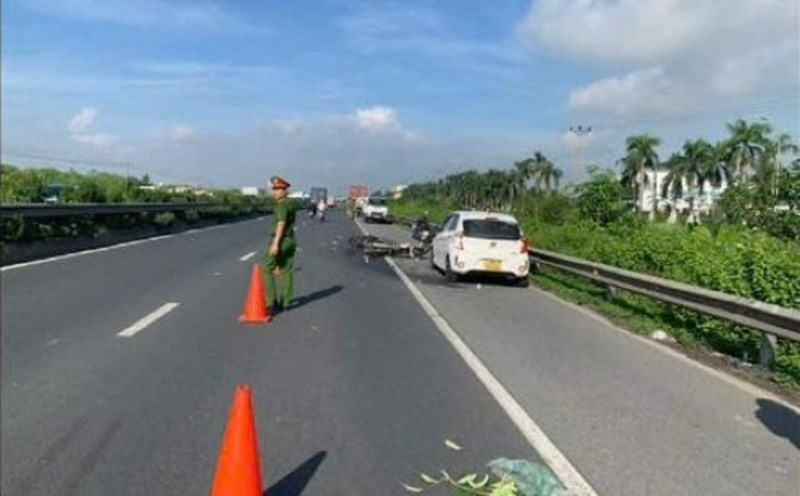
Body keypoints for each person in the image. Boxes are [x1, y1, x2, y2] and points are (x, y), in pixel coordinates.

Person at [264, 176, 297, 313]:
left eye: (279, 189)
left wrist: (275, 244)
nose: (276, 192)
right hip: (291, 240)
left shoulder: (281, 206)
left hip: (282, 239)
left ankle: (271, 302)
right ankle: (286, 302)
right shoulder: (290, 204)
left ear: (285, 190)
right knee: (286, 270)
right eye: (275, 189)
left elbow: (281, 223)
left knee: (266, 268)